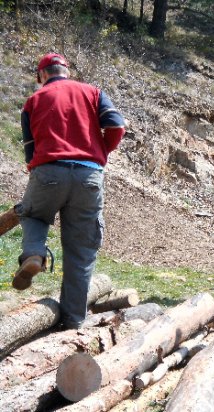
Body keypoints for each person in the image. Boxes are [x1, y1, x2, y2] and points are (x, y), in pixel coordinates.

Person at [13, 53, 126, 329]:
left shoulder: (34, 100)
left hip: (48, 171)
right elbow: (116, 126)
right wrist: (101, 151)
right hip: (89, 175)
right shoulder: (93, 92)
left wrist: (39, 168)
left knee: (32, 214)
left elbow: (30, 149)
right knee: (81, 250)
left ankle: (34, 254)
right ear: (65, 71)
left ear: (42, 75)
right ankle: (73, 322)